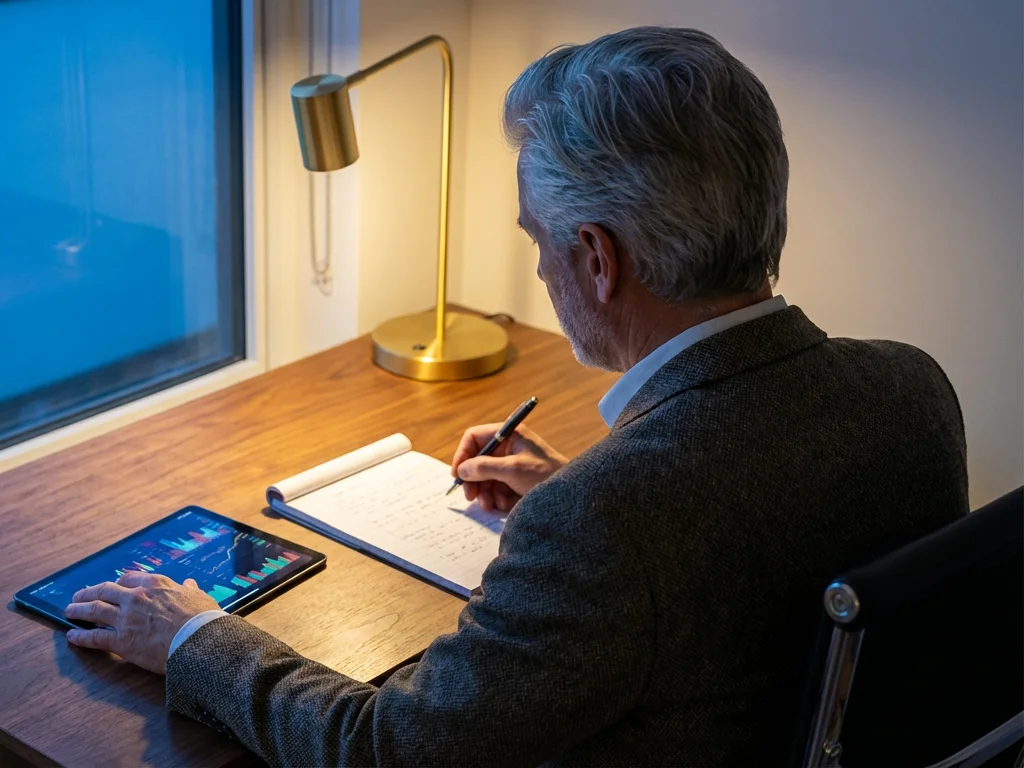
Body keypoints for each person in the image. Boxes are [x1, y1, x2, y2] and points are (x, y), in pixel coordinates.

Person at [62, 26, 968, 765]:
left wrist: (193, 640)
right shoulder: (913, 390)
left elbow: (391, 752)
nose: (538, 266)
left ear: (598, 259)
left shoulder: (610, 524)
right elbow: (750, 533)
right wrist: (583, 488)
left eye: (538, 238)